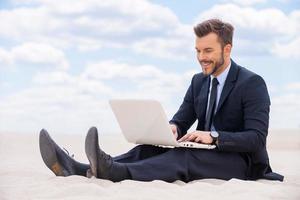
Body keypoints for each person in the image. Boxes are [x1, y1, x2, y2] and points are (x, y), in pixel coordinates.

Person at [39, 18, 283, 182]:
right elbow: (182, 118)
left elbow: (256, 137)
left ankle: (116, 172)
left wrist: (214, 137)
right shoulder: (199, 81)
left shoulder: (252, 83)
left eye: (208, 51)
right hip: (207, 154)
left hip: (241, 162)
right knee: (148, 149)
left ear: (227, 50)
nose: (201, 57)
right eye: (198, 51)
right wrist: (173, 128)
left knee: (184, 156)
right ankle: (81, 169)